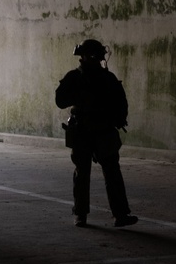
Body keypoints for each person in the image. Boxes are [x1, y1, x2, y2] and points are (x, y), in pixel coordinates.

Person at [55, 39, 138, 228]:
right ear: (82, 57)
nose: (93, 60)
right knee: (83, 173)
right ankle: (81, 214)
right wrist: (79, 95)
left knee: (112, 173)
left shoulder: (108, 79)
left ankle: (120, 214)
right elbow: (60, 100)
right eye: (90, 56)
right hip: (83, 131)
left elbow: (121, 103)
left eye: (95, 57)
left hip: (103, 131)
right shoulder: (75, 78)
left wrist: (115, 119)